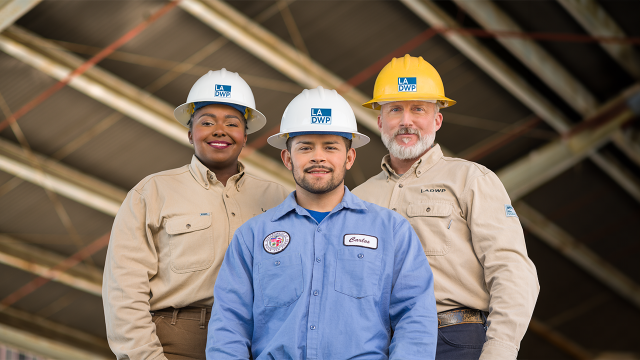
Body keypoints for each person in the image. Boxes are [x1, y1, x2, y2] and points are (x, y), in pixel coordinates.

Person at [206, 86, 438, 360]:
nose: (318, 157)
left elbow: (415, 318)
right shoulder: (252, 237)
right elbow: (229, 326)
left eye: (330, 147)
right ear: (287, 158)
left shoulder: (391, 231)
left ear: (349, 158)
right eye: (305, 148)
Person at [352, 54, 539, 360]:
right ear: (380, 121)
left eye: (418, 110)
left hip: (453, 340)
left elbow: (512, 269)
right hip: (376, 345)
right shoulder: (358, 198)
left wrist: (500, 350)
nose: (406, 121)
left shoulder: (471, 179)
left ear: (437, 120)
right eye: (395, 109)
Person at [102, 69, 289, 360]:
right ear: (190, 133)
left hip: (258, 343)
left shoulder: (278, 199)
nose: (219, 130)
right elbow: (123, 291)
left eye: (232, 123)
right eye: (206, 122)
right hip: (176, 345)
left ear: (245, 136)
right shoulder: (152, 193)